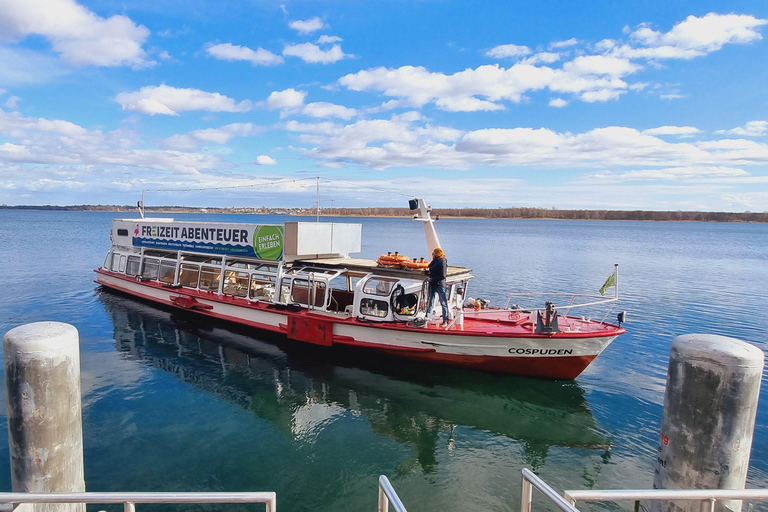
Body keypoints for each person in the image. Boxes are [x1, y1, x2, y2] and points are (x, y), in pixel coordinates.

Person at [424, 247, 450, 326]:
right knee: (430, 301)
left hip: (439, 284)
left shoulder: (442, 262)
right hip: (433, 284)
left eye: (433, 253)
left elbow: (443, 276)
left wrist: (431, 279)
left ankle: (445, 320)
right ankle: (427, 317)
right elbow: (431, 267)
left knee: (443, 302)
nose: (432, 255)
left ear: (437, 254)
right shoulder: (435, 261)